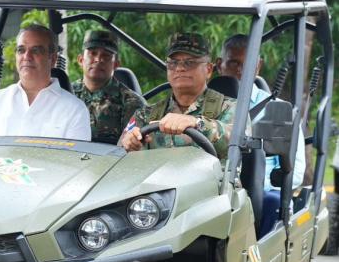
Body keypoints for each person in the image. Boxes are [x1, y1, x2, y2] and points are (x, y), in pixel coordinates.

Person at [217, 34, 305, 235]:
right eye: (233, 63)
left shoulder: (277, 110)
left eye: (247, 64)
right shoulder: (202, 107)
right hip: (209, 186)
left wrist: (253, 183)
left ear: (258, 66)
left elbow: (296, 170)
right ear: (219, 64)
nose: (240, 70)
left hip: (257, 190)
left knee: (273, 202)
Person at [0, 25, 91, 141]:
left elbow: (76, 159)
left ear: (52, 59)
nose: (27, 56)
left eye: (36, 51)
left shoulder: (74, 109)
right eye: (21, 50)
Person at [120, 33, 235, 158]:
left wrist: (198, 123)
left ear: (208, 69)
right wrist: (130, 143)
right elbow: (118, 154)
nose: (180, 68)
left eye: (189, 63)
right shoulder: (145, 115)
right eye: (173, 63)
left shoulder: (230, 108)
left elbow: (238, 142)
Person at [71, 30, 145, 145]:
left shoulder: (132, 103)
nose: (98, 59)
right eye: (93, 53)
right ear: (81, 60)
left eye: (106, 55)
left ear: (116, 64)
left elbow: (137, 147)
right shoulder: (65, 94)